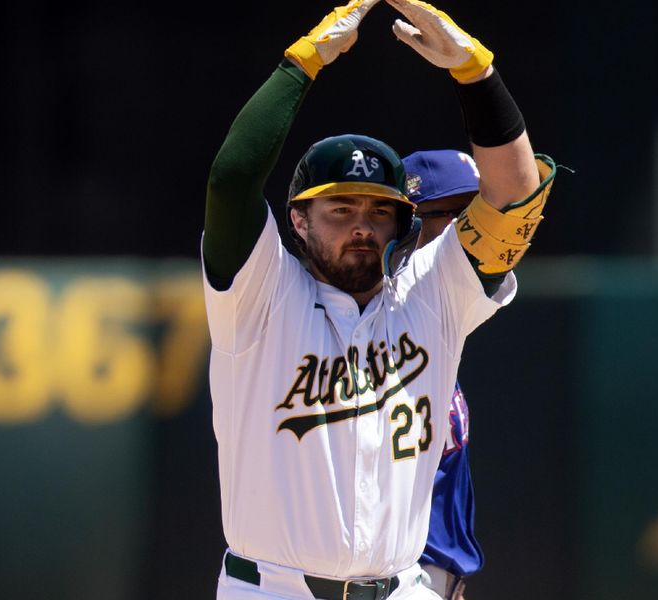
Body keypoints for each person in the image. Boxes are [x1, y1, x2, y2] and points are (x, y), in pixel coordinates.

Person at [201, 0, 556, 598]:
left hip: (403, 587)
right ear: (299, 220)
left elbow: (517, 193)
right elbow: (232, 180)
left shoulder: (432, 294)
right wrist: (302, 64)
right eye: (340, 209)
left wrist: (476, 75)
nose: (362, 225)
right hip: (273, 588)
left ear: (401, 224)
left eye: (378, 210)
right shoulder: (258, 297)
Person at [403, 150, 485, 600]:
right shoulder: (375, 330)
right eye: (459, 213)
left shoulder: (438, 327)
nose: (478, 226)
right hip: (395, 579)